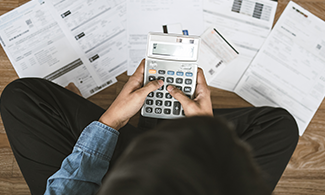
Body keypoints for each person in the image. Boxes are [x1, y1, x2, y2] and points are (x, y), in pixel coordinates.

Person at [0, 59, 299, 195]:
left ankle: (155, 136)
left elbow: (68, 190)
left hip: (106, 177)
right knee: (281, 127)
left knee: (19, 96)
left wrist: (111, 122)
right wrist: (206, 139)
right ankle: (164, 135)